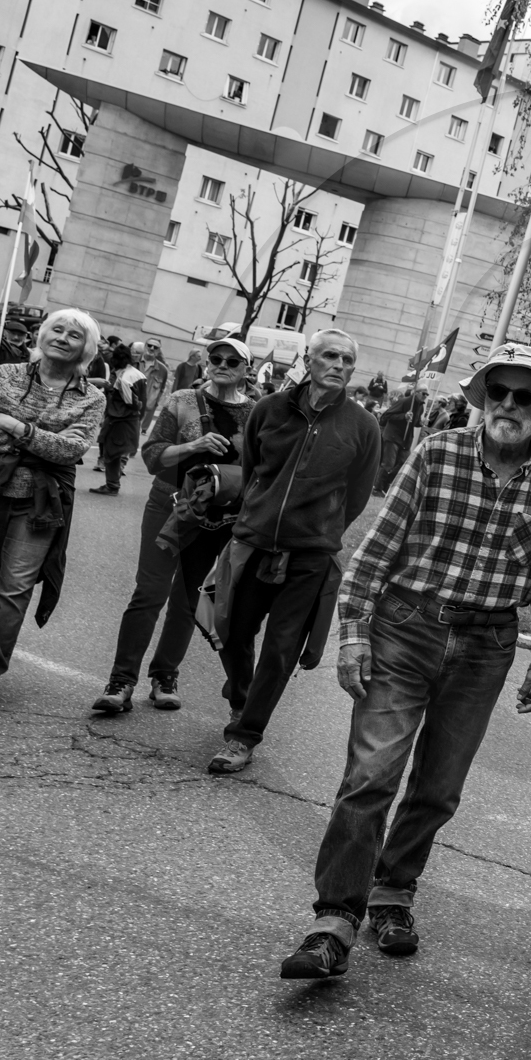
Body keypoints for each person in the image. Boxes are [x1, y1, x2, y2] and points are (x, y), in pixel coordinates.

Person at [279, 342, 531, 980]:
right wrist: (353, 632)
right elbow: (377, 546)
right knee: (371, 776)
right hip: (405, 628)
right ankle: (334, 919)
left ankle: (393, 892)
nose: (508, 405)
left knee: (439, 788)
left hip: (488, 645)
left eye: (524, 396)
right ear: (484, 398)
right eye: (498, 392)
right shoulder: (437, 452)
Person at [205, 329, 379, 774]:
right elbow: (252, 469)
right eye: (330, 356)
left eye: (347, 360)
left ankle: (244, 735)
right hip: (254, 544)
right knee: (232, 632)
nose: (339, 365)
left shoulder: (363, 425)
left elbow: (358, 493)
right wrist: (258, 515)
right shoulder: (268, 409)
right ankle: (242, 697)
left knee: (280, 650)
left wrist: (321, 529)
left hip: (309, 557)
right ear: (309, 359)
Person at [91, 338, 257, 715]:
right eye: (216, 358)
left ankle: (165, 676)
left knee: (187, 600)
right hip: (170, 504)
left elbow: (262, 466)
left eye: (233, 361)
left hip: (219, 516)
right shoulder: (183, 400)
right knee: (149, 593)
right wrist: (193, 446)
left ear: (247, 369)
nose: (222, 364)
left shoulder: (255, 411)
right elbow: (152, 456)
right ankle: (121, 680)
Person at [0, 309, 105, 693]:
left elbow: (70, 450)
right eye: (56, 330)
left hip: (40, 504)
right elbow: (54, 445)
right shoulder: (4, 374)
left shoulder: (92, 398)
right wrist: (44, 440)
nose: (62, 338)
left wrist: (11, 424)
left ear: (86, 348)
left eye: (74, 335)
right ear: (42, 335)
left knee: (13, 590)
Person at [89, 343, 147, 496]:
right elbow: (139, 401)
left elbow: (131, 401)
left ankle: (112, 485)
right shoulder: (138, 374)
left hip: (120, 419)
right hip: (130, 419)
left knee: (112, 453)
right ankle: (112, 484)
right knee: (115, 452)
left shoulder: (123, 378)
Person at [374, 386, 413, 495]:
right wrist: (403, 417)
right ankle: (378, 487)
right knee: (388, 463)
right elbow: (384, 420)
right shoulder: (393, 409)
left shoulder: (412, 409)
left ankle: (387, 484)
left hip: (403, 440)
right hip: (391, 437)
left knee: (402, 463)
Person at [140, 338, 170, 432]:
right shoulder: (134, 361)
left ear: (158, 350)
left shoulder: (162, 370)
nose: (152, 348)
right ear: (145, 346)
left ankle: (144, 428)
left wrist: (156, 402)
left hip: (147, 404)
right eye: (149, 345)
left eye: (155, 347)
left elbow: (162, 388)